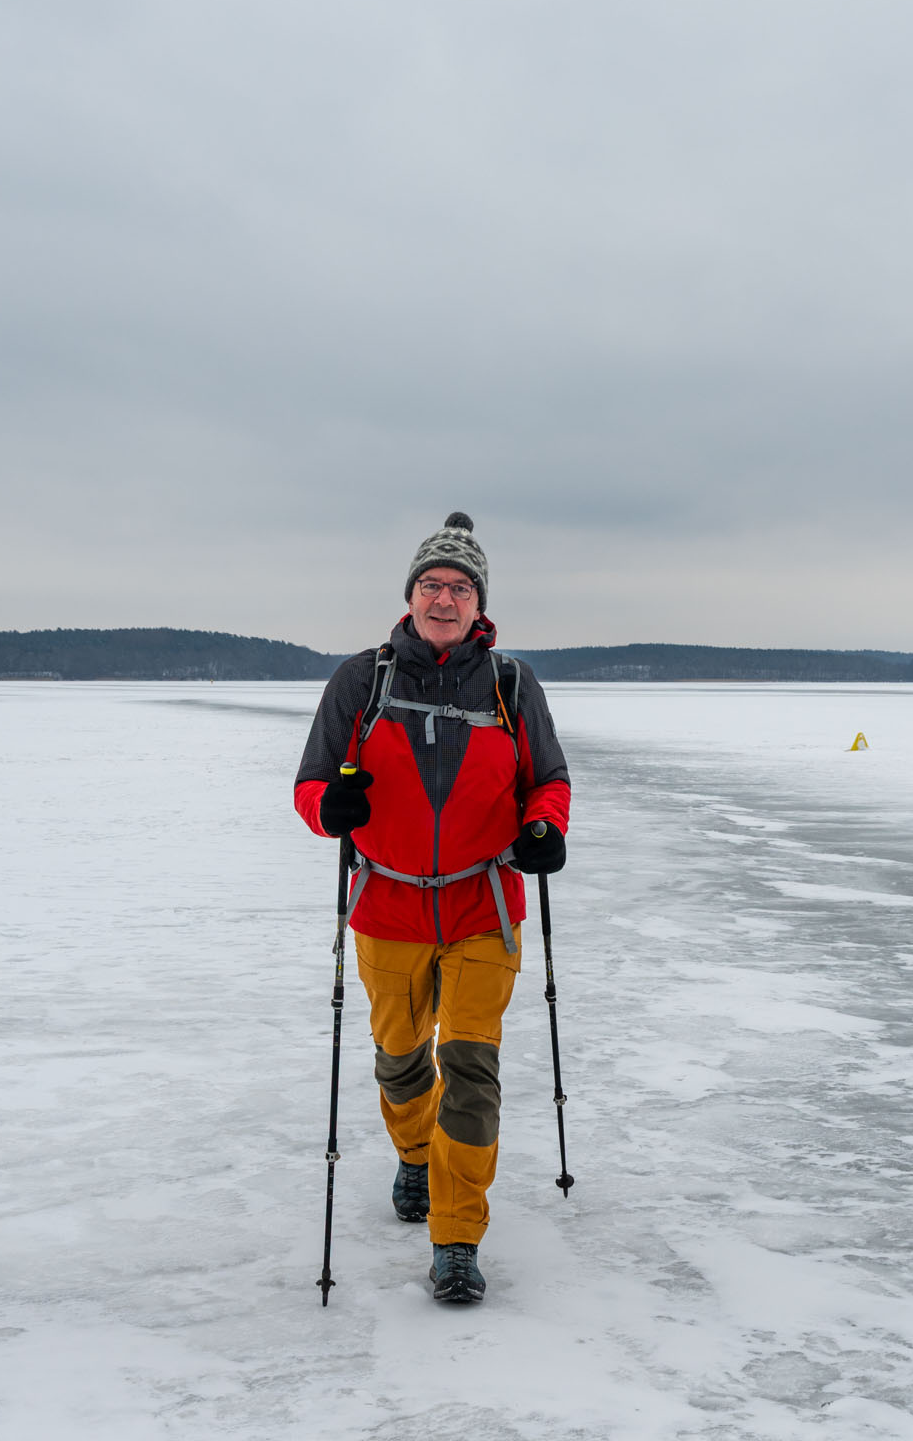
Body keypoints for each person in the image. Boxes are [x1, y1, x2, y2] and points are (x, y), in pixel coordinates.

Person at [294, 512, 572, 1306]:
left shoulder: (511, 685)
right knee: (400, 1056)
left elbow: (547, 779)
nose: (443, 598)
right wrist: (331, 809)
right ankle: (415, 1154)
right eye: (431, 585)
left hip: (485, 907)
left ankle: (456, 1238)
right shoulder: (362, 679)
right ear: (410, 597)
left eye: (458, 587)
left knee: (471, 1069)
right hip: (386, 905)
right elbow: (311, 784)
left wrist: (545, 827)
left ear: (477, 603)